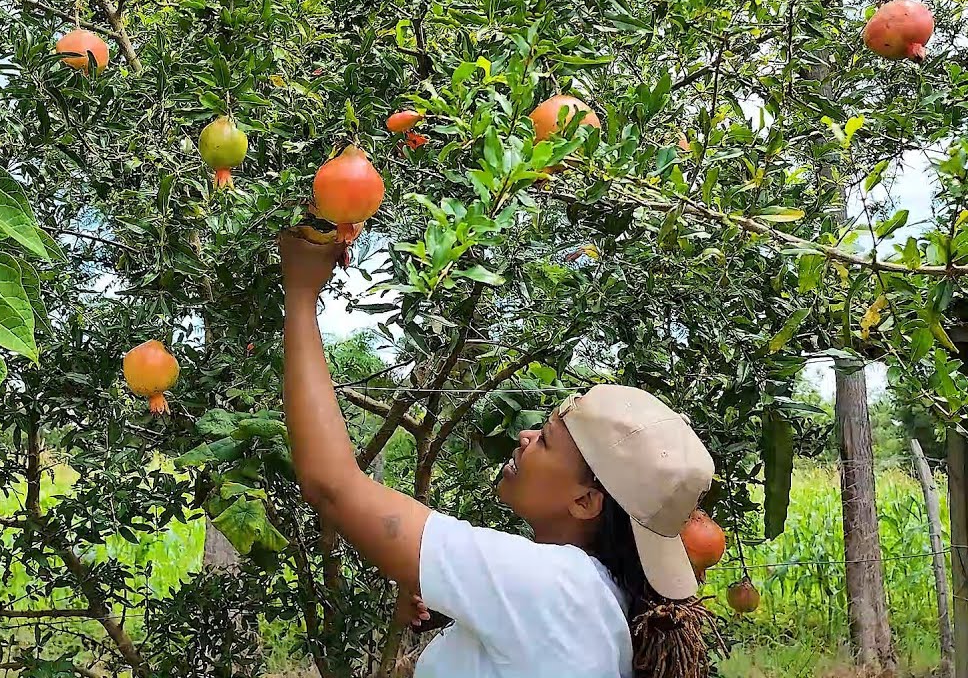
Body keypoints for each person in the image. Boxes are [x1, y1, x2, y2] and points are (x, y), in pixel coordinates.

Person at [279, 231, 719, 678]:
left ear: (586, 501)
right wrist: (469, 613)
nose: (526, 437)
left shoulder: (554, 587)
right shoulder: (600, 600)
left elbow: (332, 485)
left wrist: (300, 291)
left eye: (546, 440)